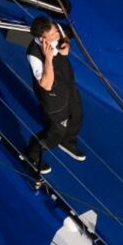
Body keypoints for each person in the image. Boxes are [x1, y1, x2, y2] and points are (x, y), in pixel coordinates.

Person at [25, 15, 86, 175]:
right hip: (53, 98)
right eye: (52, 35)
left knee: (77, 116)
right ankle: (33, 152)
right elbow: (46, 84)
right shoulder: (34, 55)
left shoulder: (55, 29)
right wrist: (49, 58)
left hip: (68, 86)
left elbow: (65, 35)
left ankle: (68, 141)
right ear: (42, 39)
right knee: (56, 132)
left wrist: (66, 44)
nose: (56, 34)